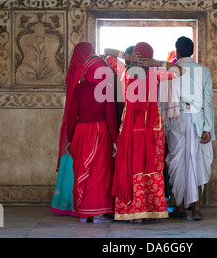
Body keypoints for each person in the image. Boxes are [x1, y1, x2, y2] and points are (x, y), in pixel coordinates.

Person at [106, 42, 185, 224]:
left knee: (132, 166)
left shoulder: (124, 70)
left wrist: (127, 58)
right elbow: (180, 70)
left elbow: (107, 53)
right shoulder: (155, 73)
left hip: (131, 128)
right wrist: (157, 63)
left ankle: (134, 212)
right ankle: (148, 211)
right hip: (151, 128)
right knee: (149, 167)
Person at [165, 36, 215, 221]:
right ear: (192, 51)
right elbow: (208, 102)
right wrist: (207, 128)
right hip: (198, 121)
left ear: (177, 51)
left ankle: (179, 208)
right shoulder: (204, 71)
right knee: (197, 162)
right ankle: (196, 208)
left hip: (177, 119)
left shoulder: (171, 70)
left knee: (177, 162)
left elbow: (165, 101)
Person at [66, 54, 118, 223]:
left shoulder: (78, 89)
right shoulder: (107, 89)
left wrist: (70, 138)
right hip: (100, 132)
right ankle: (98, 213)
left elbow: (71, 116)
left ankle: (83, 212)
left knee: (82, 169)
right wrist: (114, 140)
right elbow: (110, 117)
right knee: (100, 172)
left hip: (81, 131)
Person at [50, 42, 94, 217]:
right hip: (80, 121)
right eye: (91, 52)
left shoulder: (73, 70)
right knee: (80, 161)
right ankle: (78, 203)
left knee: (71, 160)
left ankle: (64, 203)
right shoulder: (82, 71)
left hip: (72, 120)